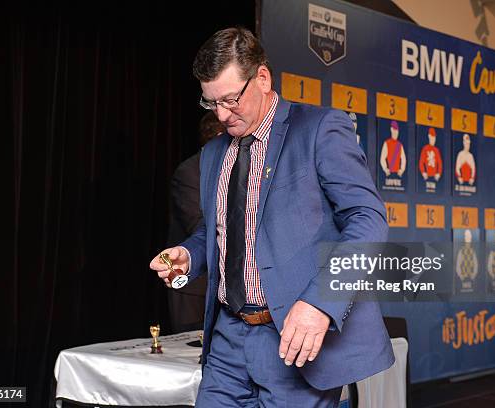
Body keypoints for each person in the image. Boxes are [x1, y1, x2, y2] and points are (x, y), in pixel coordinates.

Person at [150, 27, 393, 407]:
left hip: (294, 342)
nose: (222, 114)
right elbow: (218, 232)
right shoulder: (215, 153)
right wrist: (189, 255)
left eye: (231, 99)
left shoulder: (319, 129)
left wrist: (320, 303)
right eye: (210, 102)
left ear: (262, 78)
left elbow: (368, 218)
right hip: (227, 340)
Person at [166, 112, 225, 333]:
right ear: (218, 136)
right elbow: (200, 226)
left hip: (225, 286)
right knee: (189, 356)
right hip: (195, 287)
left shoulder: (237, 170)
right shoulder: (190, 172)